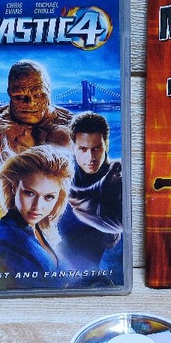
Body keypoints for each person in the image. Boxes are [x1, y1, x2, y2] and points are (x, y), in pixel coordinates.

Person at [0, 145, 73, 291]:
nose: (37, 206)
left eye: (49, 197)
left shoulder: (45, 234)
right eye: (30, 193)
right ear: (14, 187)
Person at [0, 59, 72, 162]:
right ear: (10, 93)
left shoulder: (72, 125)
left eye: (38, 95)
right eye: (20, 96)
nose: (30, 102)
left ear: (49, 92)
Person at [58, 111, 123, 268]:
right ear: (73, 148)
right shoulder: (59, 174)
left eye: (96, 148)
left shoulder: (119, 178)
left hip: (98, 264)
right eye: (83, 149)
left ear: (106, 145)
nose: (91, 158)